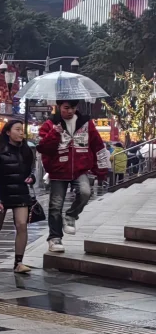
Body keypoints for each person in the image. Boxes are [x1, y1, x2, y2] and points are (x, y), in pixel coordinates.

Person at [37, 99, 107, 253]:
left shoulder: (86, 123)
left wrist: (101, 169)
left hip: (80, 169)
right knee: (55, 206)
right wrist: (55, 132)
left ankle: (71, 216)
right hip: (58, 171)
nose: (69, 111)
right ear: (59, 107)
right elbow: (43, 148)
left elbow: (98, 145)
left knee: (85, 192)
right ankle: (54, 238)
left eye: (73, 108)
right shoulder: (50, 124)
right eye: (66, 108)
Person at [0, 119, 36, 273]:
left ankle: (18, 262)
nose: (21, 133)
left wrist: (32, 178)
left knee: (21, 225)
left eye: (22, 130)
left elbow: (31, 170)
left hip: (21, 193)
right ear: (8, 132)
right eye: (18, 129)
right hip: (1, 193)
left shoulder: (26, 151)